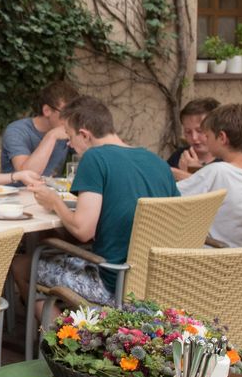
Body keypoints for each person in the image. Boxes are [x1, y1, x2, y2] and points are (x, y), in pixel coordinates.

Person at [30, 97, 178, 304]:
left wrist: (54, 202)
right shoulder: (157, 162)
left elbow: (83, 230)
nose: (70, 145)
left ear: (84, 135)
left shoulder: (95, 158)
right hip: (155, 282)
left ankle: (71, 334)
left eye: (70, 137)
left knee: (25, 265)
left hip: (111, 282)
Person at [176, 104, 242, 247]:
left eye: (207, 136)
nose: (205, 140)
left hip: (216, 254)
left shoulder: (217, 171)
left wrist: (171, 172)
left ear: (222, 138)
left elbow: (171, 197)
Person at [1, 80, 78, 177]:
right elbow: (27, 174)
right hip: (19, 191)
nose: (70, 119)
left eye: (73, 114)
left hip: (52, 191)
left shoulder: (67, 128)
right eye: (66, 114)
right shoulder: (17, 131)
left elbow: (91, 156)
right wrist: (51, 136)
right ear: (47, 110)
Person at [169, 97, 221, 181]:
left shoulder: (225, 162)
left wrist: (189, 174)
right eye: (188, 132)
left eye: (200, 131)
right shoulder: (178, 156)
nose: (194, 137)